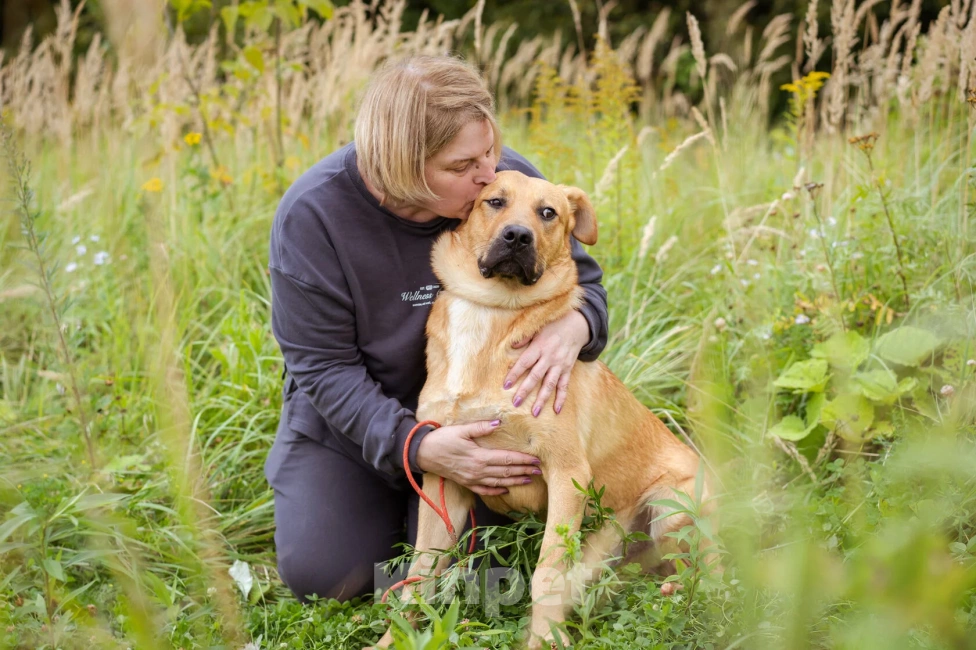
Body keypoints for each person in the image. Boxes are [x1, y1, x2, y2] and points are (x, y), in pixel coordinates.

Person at [264, 54, 609, 603]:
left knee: (485, 583)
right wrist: (418, 444)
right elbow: (323, 369)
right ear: (402, 165)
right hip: (353, 422)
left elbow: (579, 277)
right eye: (461, 166)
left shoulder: (499, 181)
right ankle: (382, 531)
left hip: (486, 414)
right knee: (328, 576)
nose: (488, 174)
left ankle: (424, 559)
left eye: (489, 151)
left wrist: (577, 326)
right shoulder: (314, 217)